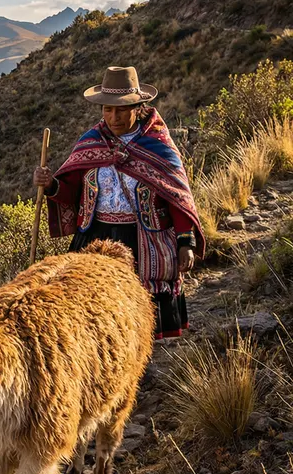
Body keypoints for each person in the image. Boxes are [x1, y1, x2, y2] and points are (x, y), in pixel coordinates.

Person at [33, 66, 204, 340]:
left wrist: (186, 242)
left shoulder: (157, 145)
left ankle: (139, 357)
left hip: (142, 239)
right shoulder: (91, 143)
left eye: (122, 110)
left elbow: (177, 196)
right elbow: (72, 192)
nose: (114, 117)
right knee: (92, 313)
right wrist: (50, 184)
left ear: (138, 107)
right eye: (108, 110)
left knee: (138, 318)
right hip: (95, 236)